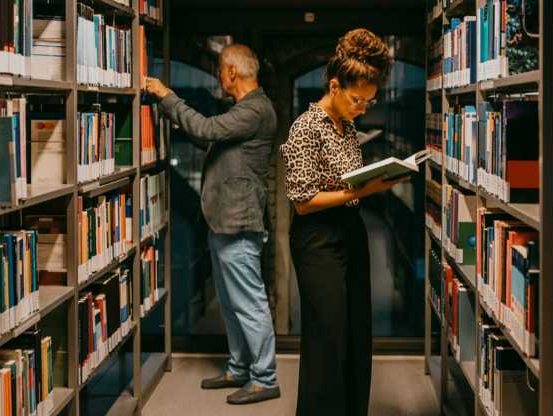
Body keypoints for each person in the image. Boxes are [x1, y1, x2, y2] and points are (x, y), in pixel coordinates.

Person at [145, 44, 280, 405]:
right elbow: (206, 135)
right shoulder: (243, 110)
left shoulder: (255, 110)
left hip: (238, 222)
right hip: (224, 221)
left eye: (220, 70)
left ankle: (265, 377)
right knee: (232, 302)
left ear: (232, 71)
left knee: (248, 303)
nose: (219, 77)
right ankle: (239, 367)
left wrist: (168, 98)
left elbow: (205, 130)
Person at [280, 29, 403, 415]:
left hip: (351, 232)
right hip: (317, 240)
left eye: (369, 101)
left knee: (354, 335)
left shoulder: (347, 127)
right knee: (327, 339)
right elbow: (302, 202)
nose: (362, 108)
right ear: (334, 86)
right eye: (356, 99)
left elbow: (347, 179)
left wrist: (375, 180)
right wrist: (364, 192)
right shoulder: (305, 128)